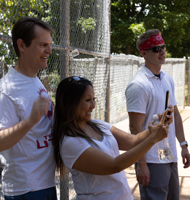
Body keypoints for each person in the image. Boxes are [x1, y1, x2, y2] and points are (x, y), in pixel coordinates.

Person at [52, 76, 172, 200]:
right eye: (88, 100)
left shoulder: (99, 125)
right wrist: (153, 138)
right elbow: (114, 165)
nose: (93, 105)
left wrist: (157, 127)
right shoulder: (70, 142)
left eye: (94, 99)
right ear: (70, 103)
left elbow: (133, 141)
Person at [0, 17, 57, 199]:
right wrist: (29, 121)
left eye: (49, 45)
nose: (49, 51)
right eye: (43, 45)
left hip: (45, 183)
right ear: (22, 45)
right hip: (26, 190)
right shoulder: (6, 90)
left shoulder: (34, 80)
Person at [125, 29, 190, 200]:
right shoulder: (139, 85)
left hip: (169, 155)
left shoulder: (167, 78)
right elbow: (135, 127)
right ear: (144, 53)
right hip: (152, 159)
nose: (162, 51)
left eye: (163, 47)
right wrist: (142, 164)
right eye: (156, 48)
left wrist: (183, 145)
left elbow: (174, 114)